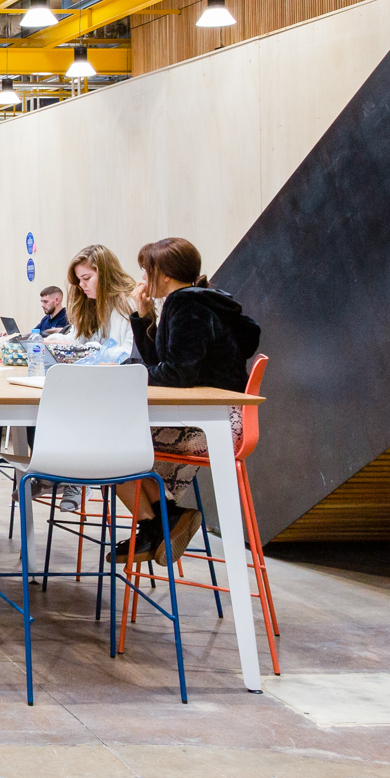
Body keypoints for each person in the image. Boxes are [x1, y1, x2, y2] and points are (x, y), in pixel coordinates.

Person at [113, 237, 262, 564]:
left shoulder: (186, 305)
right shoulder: (196, 300)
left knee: (108, 444)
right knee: (112, 442)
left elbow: (176, 375)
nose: (143, 277)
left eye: (146, 270)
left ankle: (159, 524)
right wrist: (144, 315)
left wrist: (129, 373)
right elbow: (163, 364)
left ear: (164, 274)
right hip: (216, 417)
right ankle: (163, 524)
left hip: (212, 426)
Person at [55, 244, 138, 362]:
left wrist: (92, 350)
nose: (81, 285)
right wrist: (51, 341)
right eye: (79, 280)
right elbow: (76, 339)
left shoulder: (131, 304)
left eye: (86, 278)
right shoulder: (89, 303)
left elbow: (130, 354)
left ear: (105, 275)